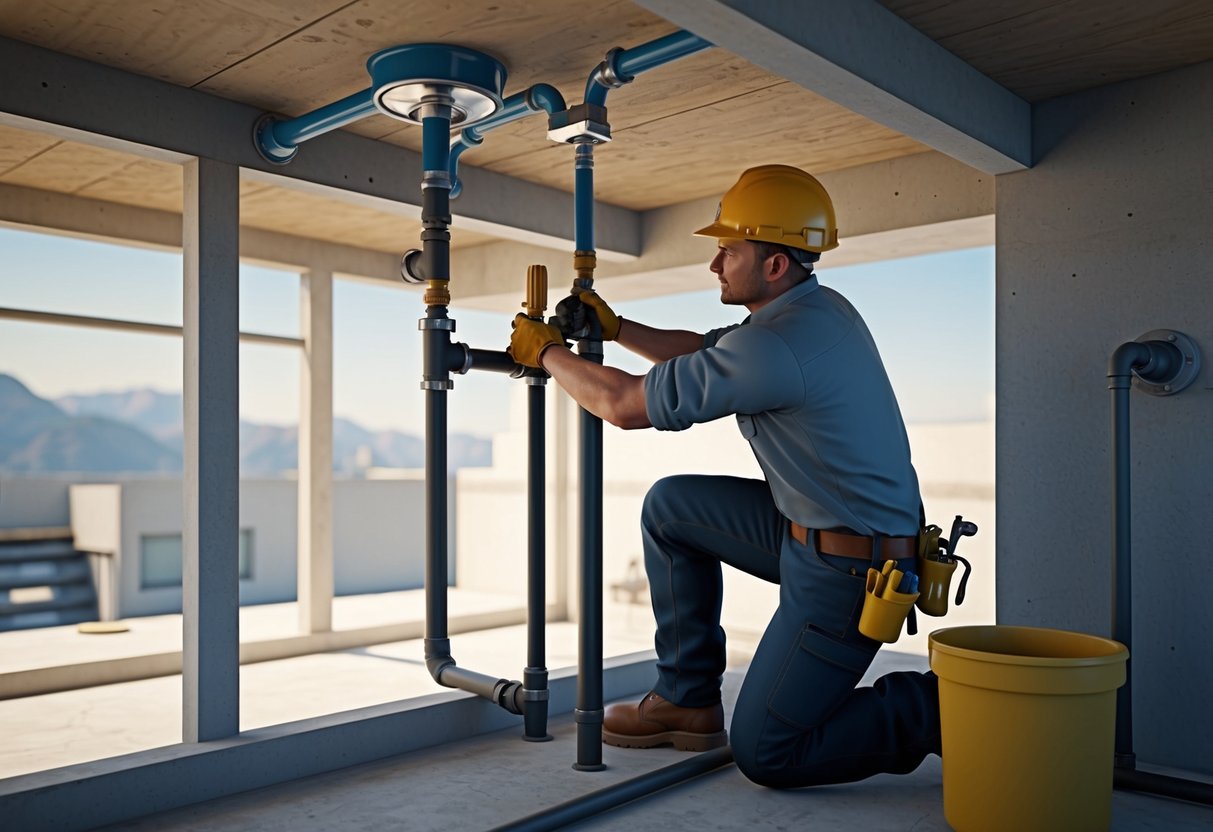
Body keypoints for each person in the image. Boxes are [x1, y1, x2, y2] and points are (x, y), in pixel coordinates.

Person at [508, 165, 940, 787]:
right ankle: (687, 699)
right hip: (814, 532)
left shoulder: (776, 346)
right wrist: (617, 328)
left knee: (770, 753)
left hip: (851, 569)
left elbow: (626, 406)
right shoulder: (810, 313)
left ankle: (941, 707)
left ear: (772, 266)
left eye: (728, 250)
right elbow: (706, 350)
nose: (715, 264)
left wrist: (546, 353)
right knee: (672, 508)